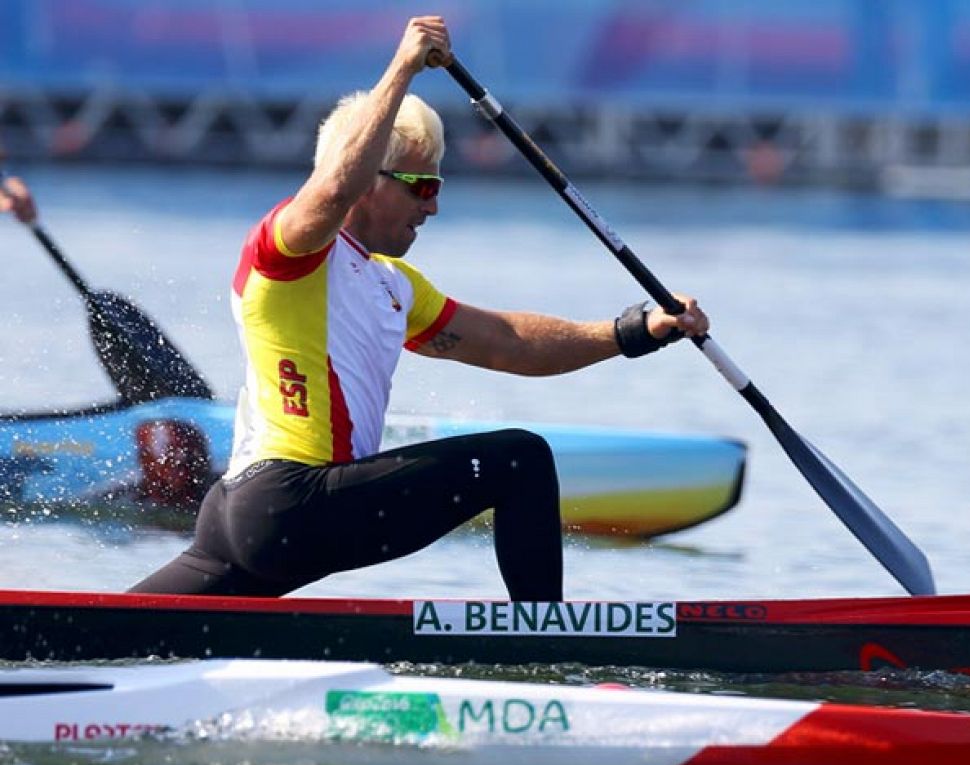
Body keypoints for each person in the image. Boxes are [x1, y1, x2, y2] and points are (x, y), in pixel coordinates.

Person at [131, 16, 708, 601]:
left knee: (116, 635)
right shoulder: (288, 251)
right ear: (369, 180)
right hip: (291, 501)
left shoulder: (394, 285)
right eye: (421, 187)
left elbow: (510, 343)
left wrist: (635, 330)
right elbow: (332, 190)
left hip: (244, 517)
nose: (431, 208)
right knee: (519, 461)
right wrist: (403, 68)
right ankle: (546, 644)